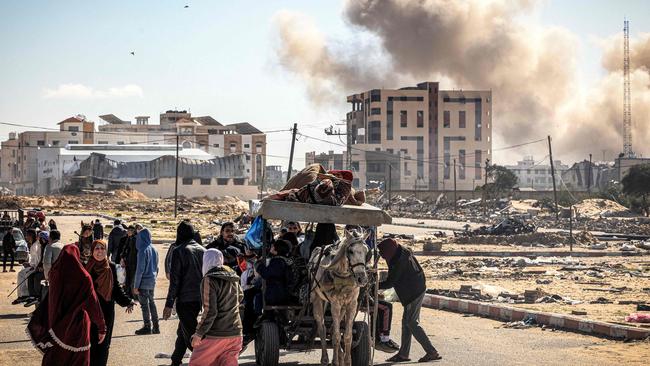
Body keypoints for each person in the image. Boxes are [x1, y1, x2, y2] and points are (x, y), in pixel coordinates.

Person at [27, 245, 107, 366]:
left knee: (57, 358)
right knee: (78, 360)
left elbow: (51, 299)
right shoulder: (84, 277)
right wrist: (102, 327)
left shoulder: (55, 274)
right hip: (78, 326)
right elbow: (93, 304)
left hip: (56, 326)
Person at [378, 238, 442, 363]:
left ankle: (431, 351)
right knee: (405, 323)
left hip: (413, 292)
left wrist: (374, 284)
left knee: (412, 322)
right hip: (415, 288)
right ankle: (403, 354)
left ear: (389, 252)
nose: (383, 258)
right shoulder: (402, 251)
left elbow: (390, 282)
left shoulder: (399, 261)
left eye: (384, 255)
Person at [188, 249, 243, 366]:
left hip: (216, 334)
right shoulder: (233, 277)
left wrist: (199, 333)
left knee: (197, 363)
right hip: (235, 332)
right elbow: (240, 297)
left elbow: (210, 311)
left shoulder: (209, 279)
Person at [86, 240, 136, 366]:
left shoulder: (111, 267)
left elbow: (116, 289)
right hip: (90, 312)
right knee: (89, 344)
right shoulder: (86, 267)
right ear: (92, 251)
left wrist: (128, 301)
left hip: (106, 312)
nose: (99, 251)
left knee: (104, 345)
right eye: (97, 248)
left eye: (102, 249)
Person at [164, 221, 206, 366]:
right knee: (183, 331)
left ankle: (206, 360)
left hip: (185, 299)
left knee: (191, 336)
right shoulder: (202, 249)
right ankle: (175, 360)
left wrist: (169, 304)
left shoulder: (179, 250)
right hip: (199, 299)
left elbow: (175, 281)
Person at [133, 225, 160, 335]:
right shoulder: (154, 249)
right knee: (152, 303)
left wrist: (136, 286)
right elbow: (157, 267)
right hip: (152, 281)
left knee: (144, 305)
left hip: (143, 282)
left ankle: (147, 326)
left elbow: (140, 269)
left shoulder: (142, 250)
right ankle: (156, 326)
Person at [255, 239, 294, 306]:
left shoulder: (278, 262)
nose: (271, 247)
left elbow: (267, 273)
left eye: (273, 246)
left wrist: (258, 265)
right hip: (280, 292)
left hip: (276, 294)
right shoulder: (284, 260)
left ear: (277, 250)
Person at [13, 229, 40, 305]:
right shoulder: (32, 245)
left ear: (31, 236)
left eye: (27, 235)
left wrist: (31, 265)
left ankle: (28, 295)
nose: (26, 237)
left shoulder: (36, 245)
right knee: (21, 272)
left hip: (36, 267)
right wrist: (28, 263)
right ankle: (22, 295)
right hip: (33, 265)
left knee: (25, 274)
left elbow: (38, 259)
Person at [119, 225, 138, 299]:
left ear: (132, 231)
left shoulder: (134, 239)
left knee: (131, 278)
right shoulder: (130, 238)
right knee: (128, 278)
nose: (127, 232)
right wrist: (122, 257)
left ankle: (130, 294)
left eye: (128, 230)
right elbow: (125, 249)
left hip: (132, 262)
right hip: (129, 262)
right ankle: (128, 293)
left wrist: (123, 257)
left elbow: (132, 252)